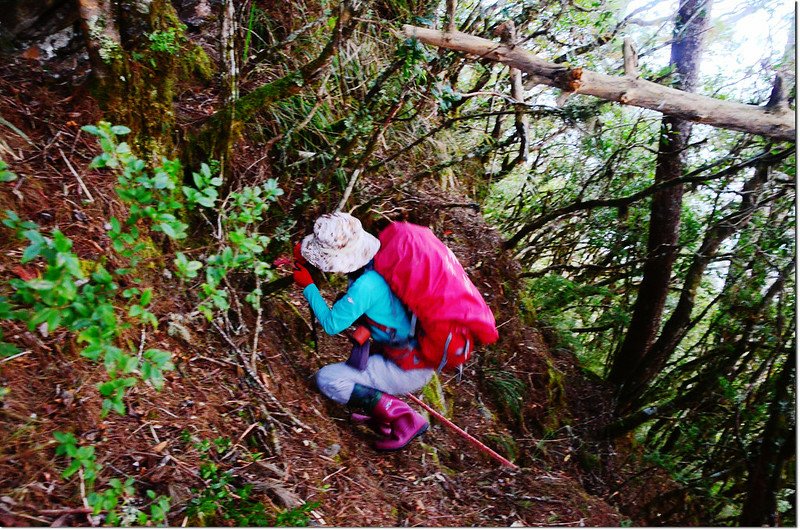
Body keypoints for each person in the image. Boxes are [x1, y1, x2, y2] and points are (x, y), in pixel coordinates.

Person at [292, 212, 432, 451]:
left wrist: (309, 287)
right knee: (357, 373)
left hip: (405, 367)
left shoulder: (366, 285)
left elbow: (332, 325)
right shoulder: (379, 262)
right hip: (411, 355)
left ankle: (404, 418)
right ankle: (382, 418)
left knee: (328, 379)